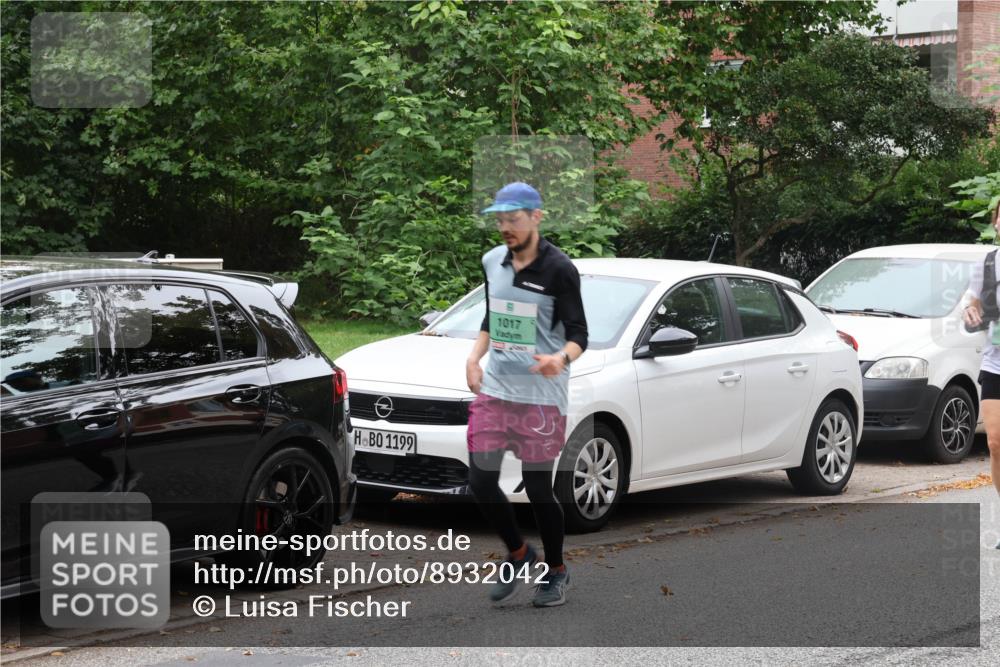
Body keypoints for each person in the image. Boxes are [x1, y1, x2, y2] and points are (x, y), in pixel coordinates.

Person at [465, 182, 588, 607]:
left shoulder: (560, 269)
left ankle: (556, 571)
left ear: (536, 217)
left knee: (538, 488)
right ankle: (519, 552)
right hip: (497, 389)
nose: (505, 228)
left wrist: (561, 358)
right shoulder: (491, 262)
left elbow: (579, 334)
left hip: (542, 394)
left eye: (513, 219)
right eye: (499, 220)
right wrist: (474, 358)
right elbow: (491, 315)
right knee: (479, 480)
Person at [963, 203, 1000, 540]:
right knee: (995, 441)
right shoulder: (986, 263)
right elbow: (972, 302)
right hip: (995, 363)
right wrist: (970, 314)